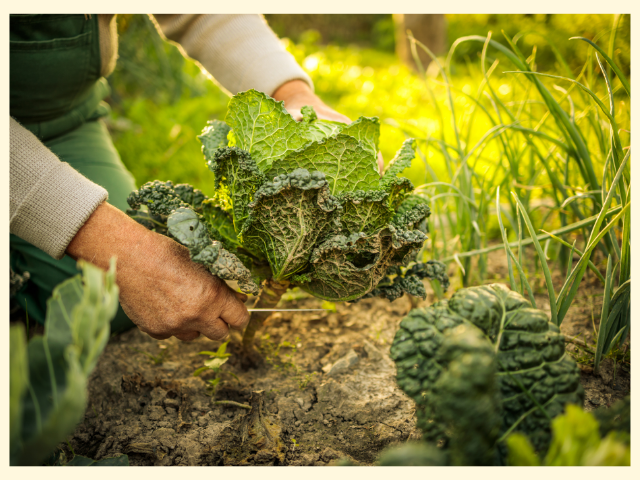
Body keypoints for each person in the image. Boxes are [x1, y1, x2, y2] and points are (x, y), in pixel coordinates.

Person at [10, 14, 363, 342]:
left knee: (110, 303)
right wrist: (122, 248)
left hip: (66, 119)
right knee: (116, 272)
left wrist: (293, 93)